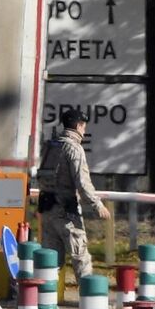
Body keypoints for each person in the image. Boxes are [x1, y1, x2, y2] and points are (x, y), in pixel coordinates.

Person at [35, 108, 109, 280]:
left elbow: (40, 177)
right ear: (78, 125)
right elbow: (82, 183)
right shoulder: (74, 149)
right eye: (84, 127)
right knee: (81, 258)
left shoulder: (51, 146)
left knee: (49, 263)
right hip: (66, 213)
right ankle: (90, 303)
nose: (85, 131)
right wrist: (97, 205)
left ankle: (43, 303)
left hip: (47, 211)